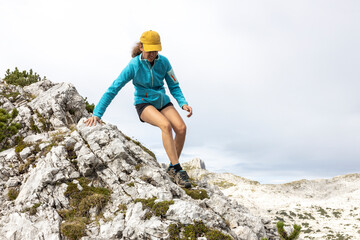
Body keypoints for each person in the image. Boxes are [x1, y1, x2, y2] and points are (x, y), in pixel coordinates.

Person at [84, 30, 193, 188]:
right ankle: (178, 170)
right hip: (144, 103)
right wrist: (97, 114)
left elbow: (174, 86)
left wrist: (183, 103)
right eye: (150, 50)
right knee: (165, 125)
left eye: (156, 50)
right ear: (141, 47)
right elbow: (114, 88)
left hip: (162, 101)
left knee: (181, 128)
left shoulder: (164, 62)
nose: (153, 54)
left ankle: (171, 167)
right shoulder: (134, 65)